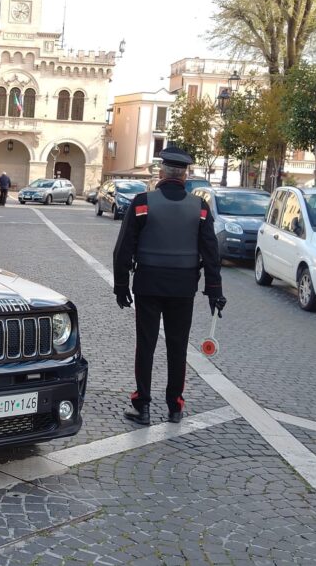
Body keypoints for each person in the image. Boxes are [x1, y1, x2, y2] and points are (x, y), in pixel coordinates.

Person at [112, 146, 226, 425]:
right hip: (183, 288)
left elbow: (123, 248)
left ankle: (143, 406)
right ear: (185, 176)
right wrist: (215, 290)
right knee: (178, 347)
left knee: (146, 345)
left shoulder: (142, 202)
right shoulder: (199, 208)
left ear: (161, 173)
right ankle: (175, 406)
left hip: (148, 284)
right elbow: (211, 252)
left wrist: (120, 284)